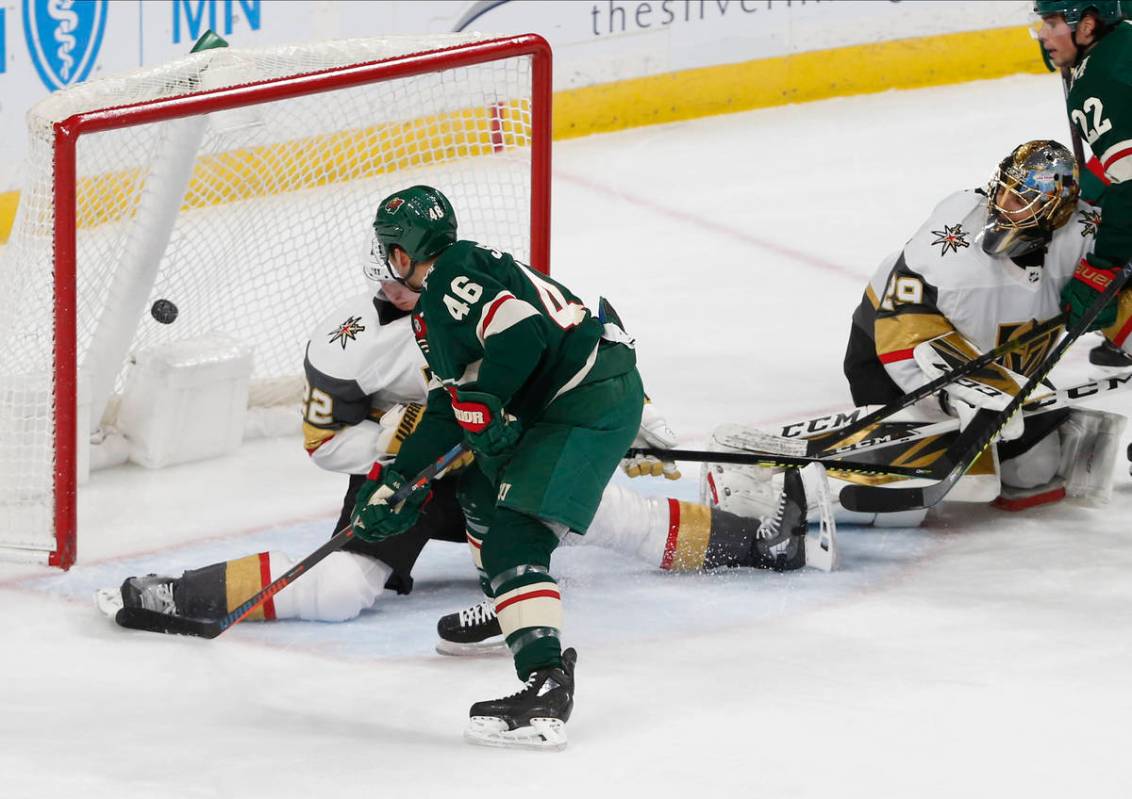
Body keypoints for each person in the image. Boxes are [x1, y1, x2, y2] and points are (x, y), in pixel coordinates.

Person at [99, 217, 824, 657]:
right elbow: (323, 442)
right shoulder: (347, 346)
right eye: (403, 286)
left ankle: (757, 540)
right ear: (386, 279)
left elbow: (567, 339)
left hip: (495, 454)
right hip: (412, 474)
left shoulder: (479, 288)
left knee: (600, 515)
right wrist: (393, 436)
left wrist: (632, 419)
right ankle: (177, 592)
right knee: (345, 585)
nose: (417, 295)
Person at [705, 140, 1128, 524]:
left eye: (1019, 199)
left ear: (1054, 211)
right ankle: (776, 492)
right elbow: (900, 325)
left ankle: (1034, 430)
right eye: (1003, 190)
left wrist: (1112, 314)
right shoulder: (953, 235)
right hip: (894, 359)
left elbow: (1123, 303)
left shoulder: (1087, 237)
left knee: (1036, 472)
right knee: (926, 485)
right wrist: (953, 395)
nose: (1001, 205)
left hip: (1001, 372)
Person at [1034, 2, 1132, 340]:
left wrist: (1102, 267)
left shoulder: (1100, 83)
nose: (1042, 35)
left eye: (1051, 23)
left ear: (1088, 25)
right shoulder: (1123, 32)